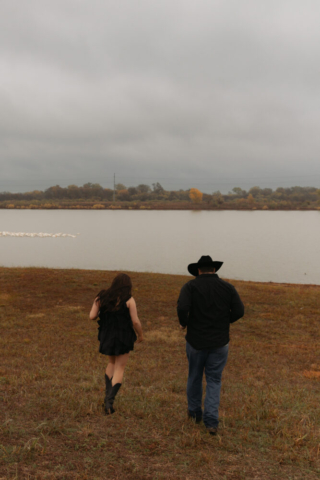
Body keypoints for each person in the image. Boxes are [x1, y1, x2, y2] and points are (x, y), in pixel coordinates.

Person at [177, 255, 244, 435]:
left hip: (195, 341)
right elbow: (239, 311)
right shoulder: (228, 288)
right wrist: (224, 321)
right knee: (214, 380)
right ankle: (212, 421)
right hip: (220, 342)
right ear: (214, 270)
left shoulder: (190, 287)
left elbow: (182, 308)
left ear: (198, 270)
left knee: (195, 375)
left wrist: (185, 323)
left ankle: (194, 413)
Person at [89, 273, 143, 414]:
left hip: (107, 335)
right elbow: (135, 321)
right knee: (120, 367)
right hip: (123, 336)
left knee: (111, 363)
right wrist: (141, 335)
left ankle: (107, 398)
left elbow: (92, 316)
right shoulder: (129, 299)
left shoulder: (101, 297)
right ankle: (109, 403)